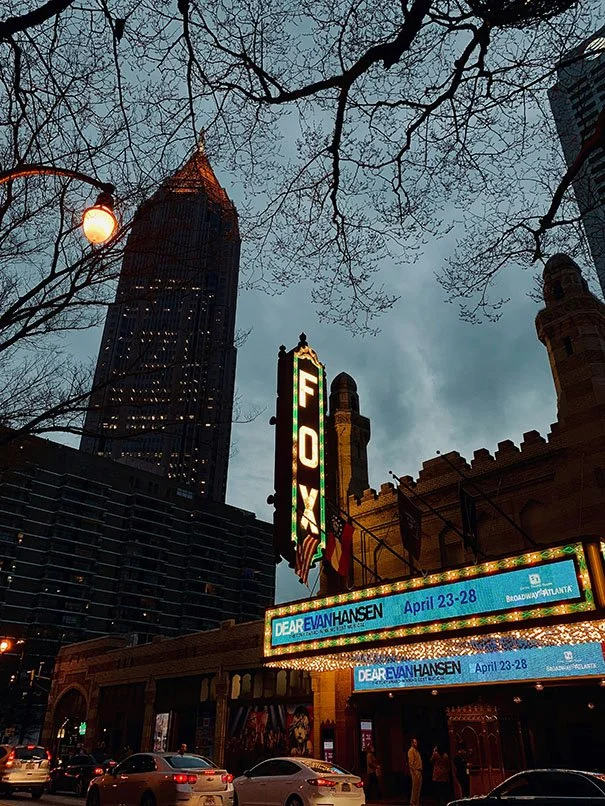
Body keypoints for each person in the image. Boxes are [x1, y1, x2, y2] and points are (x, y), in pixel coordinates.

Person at [408, 737, 423, 806]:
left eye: (416, 742)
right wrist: (414, 772)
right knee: (415, 788)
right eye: (415, 742)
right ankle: (413, 802)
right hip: (415, 771)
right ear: (412, 743)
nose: (416, 744)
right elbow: (411, 763)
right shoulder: (411, 751)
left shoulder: (416, 751)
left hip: (419, 770)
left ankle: (416, 802)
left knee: (418, 788)